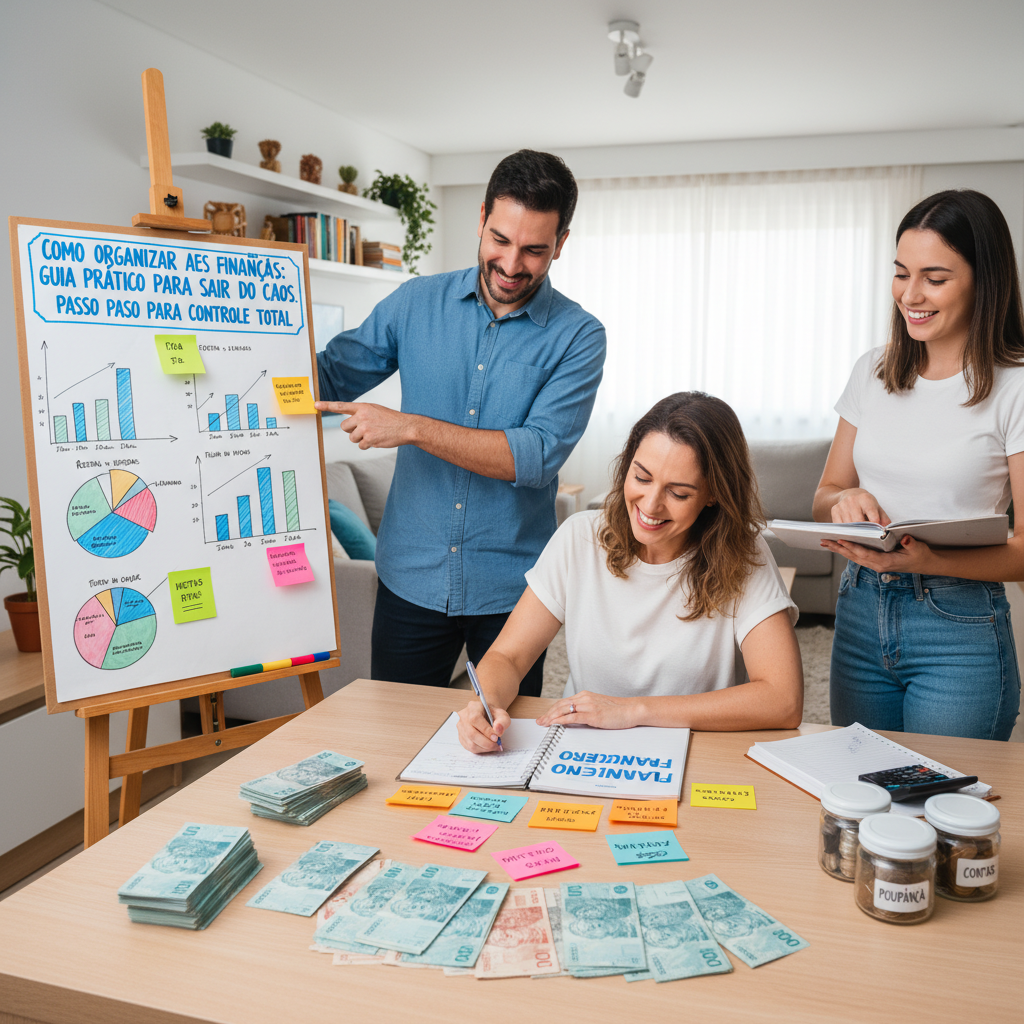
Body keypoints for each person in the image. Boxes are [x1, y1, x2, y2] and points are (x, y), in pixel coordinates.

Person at [315, 150, 606, 696]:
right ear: (480, 219)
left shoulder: (579, 336)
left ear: (561, 243)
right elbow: (329, 376)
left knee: (502, 747)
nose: (512, 264)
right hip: (410, 578)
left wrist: (411, 428)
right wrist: (250, 345)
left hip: (515, 592)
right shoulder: (414, 303)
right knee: (396, 736)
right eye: (500, 240)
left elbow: (536, 456)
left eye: (534, 249)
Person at [456, 392, 802, 752]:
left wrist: (632, 711)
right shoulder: (580, 536)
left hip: (693, 751)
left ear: (713, 494)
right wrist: (486, 704)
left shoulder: (743, 554)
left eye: (679, 493)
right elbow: (508, 657)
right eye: (642, 477)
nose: (651, 505)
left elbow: (783, 699)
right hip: (582, 746)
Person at [813, 189, 1024, 741]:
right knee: (861, 798)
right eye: (901, 273)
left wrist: (928, 559)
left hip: (957, 626)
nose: (910, 295)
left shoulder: (1015, 387)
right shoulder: (873, 370)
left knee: (944, 810)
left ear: (985, 279)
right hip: (859, 608)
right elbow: (827, 492)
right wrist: (843, 501)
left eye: (934, 277)